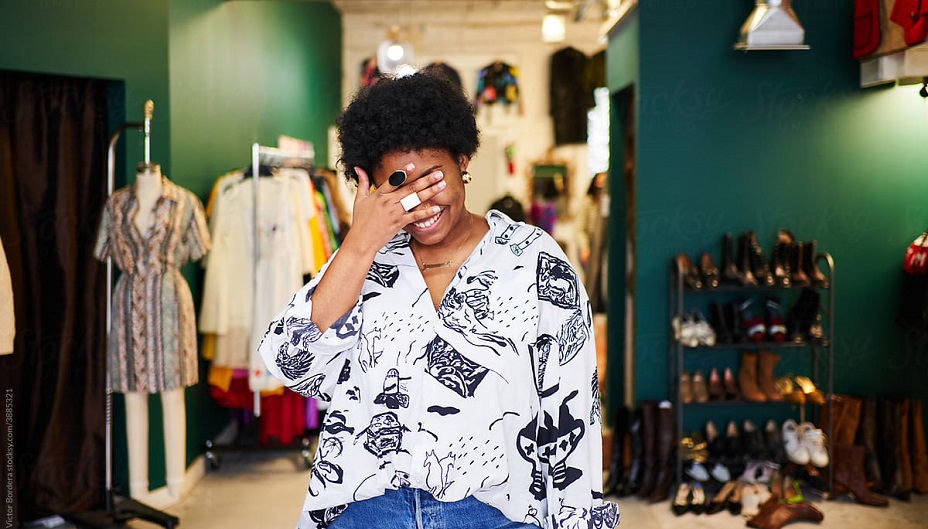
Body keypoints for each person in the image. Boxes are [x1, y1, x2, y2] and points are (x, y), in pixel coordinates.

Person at [258, 72, 619, 529]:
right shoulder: (363, 262)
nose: (420, 201)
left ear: (462, 161)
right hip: (369, 509)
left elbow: (572, 411)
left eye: (432, 177)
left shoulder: (532, 262)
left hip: (494, 513)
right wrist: (358, 244)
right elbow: (290, 362)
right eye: (398, 183)